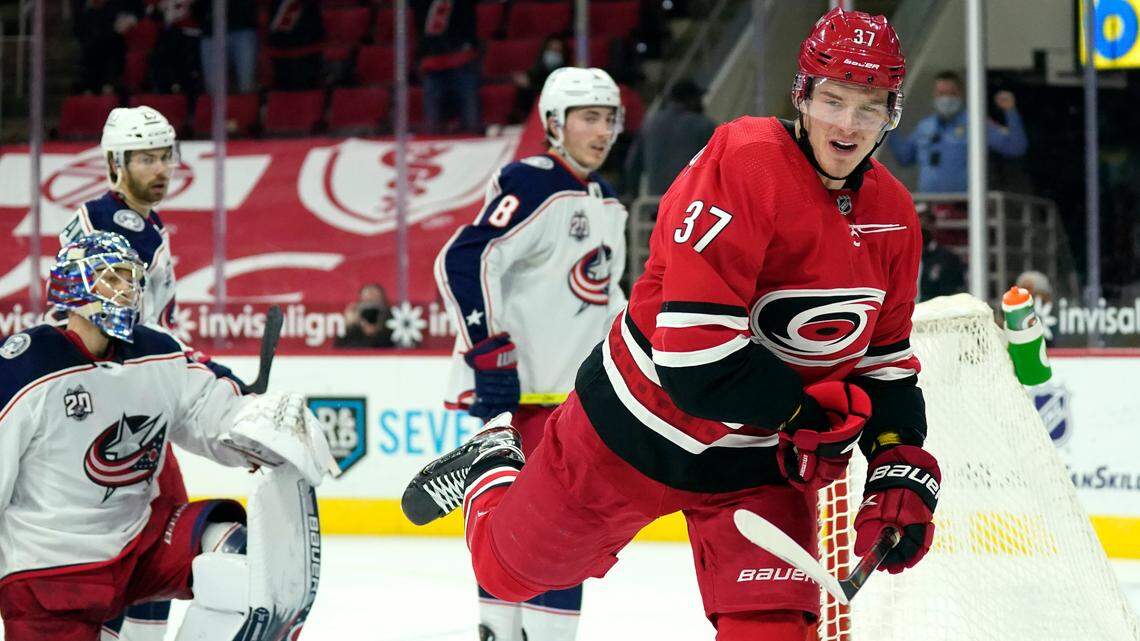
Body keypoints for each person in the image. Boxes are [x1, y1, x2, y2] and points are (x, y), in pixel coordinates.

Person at [403, 9, 942, 641]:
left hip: (759, 464)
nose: (848, 124)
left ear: (892, 113)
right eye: (834, 100)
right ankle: (494, 462)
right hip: (636, 432)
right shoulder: (745, 163)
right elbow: (695, 359)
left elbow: (884, 364)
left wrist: (895, 460)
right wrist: (805, 418)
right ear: (803, 96)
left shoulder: (896, 215)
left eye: (870, 107)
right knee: (508, 567)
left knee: (772, 630)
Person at [0, 231, 337, 641]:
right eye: (111, 278)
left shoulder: (156, 351)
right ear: (74, 285)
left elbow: (210, 412)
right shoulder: (25, 366)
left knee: (236, 550)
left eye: (131, 279)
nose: (126, 291)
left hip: (137, 546)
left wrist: (261, 427)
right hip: (50, 574)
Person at [430, 67, 629, 641]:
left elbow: (605, 295)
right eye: (587, 117)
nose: (602, 130)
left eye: (608, 117)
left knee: (559, 536)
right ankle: (497, 631)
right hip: (516, 400)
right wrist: (486, 350)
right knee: (528, 536)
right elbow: (464, 261)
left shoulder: (606, 199)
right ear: (552, 124)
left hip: (571, 402)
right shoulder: (533, 182)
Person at [57, 104, 247, 641]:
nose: (160, 168)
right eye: (145, 157)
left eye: (165, 155)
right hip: (117, 407)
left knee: (152, 534)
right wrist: (203, 369)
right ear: (116, 161)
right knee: (160, 535)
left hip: (124, 404)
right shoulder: (119, 229)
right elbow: (125, 334)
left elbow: (145, 331)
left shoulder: (137, 223)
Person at [888, 70, 1027, 193]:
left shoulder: (976, 124)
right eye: (941, 93)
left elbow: (1015, 147)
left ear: (961, 95)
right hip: (930, 208)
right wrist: (889, 120)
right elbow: (904, 158)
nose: (946, 98)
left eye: (951, 93)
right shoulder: (925, 127)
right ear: (934, 95)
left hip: (966, 208)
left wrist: (1010, 111)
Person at [624, 78, 716, 196]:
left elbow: (632, 166)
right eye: (698, 98)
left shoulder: (650, 123)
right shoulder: (704, 125)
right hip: (691, 203)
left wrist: (633, 194)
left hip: (656, 204)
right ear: (691, 99)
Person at [412, 0, 481, 134]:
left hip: (461, 60)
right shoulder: (422, 4)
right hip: (433, 62)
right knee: (433, 122)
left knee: (470, 120)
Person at [510, 35, 568, 123]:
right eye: (551, 50)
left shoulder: (568, 73)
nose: (553, 54)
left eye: (557, 51)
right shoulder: (536, 71)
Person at [917, 207, 966, 301]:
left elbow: (954, 294)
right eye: (918, 221)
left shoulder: (948, 259)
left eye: (927, 222)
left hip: (934, 313)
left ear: (933, 225)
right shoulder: (900, 257)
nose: (922, 225)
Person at [335, 283, 395, 348]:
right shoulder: (353, 329)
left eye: (375, 301)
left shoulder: (393, 324)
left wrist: (377, 329)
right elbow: (339, 351)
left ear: (384, 303)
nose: (371, 308)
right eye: (367, 301)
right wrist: (348, 327)